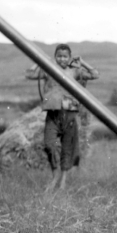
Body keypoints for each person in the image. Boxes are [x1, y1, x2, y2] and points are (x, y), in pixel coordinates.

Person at [31, 44, 99, 192]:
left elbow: (95, 74)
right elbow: (30, 74)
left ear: (69, 57)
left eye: (65, 56)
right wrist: (40, 60)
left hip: (69, 114)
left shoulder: (75, 71)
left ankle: (63, 182)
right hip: (53, 114)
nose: (62, 59)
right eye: (59, 56)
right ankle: (55, 175)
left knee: (67, 149)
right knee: (49, 145)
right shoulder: (48, 70)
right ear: (55, 57)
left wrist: (83, 62)